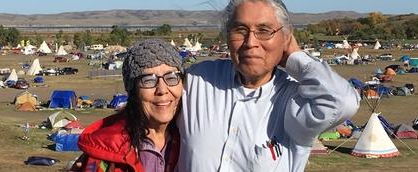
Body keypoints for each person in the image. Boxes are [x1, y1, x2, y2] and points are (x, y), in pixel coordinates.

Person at [176, 0, 361, 171]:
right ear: (227, 36)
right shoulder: (198, 80)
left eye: (264, 30)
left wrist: (295, 57)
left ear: (286, 38)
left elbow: (343, 101)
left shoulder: (293, 100)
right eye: (240, 30)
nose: (250, 42)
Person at [73, 39, 183, 172]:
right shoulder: (105, 157)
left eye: (171, 77)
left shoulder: (192, 138)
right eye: (148, 80)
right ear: (133, 91)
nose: (162, 90)